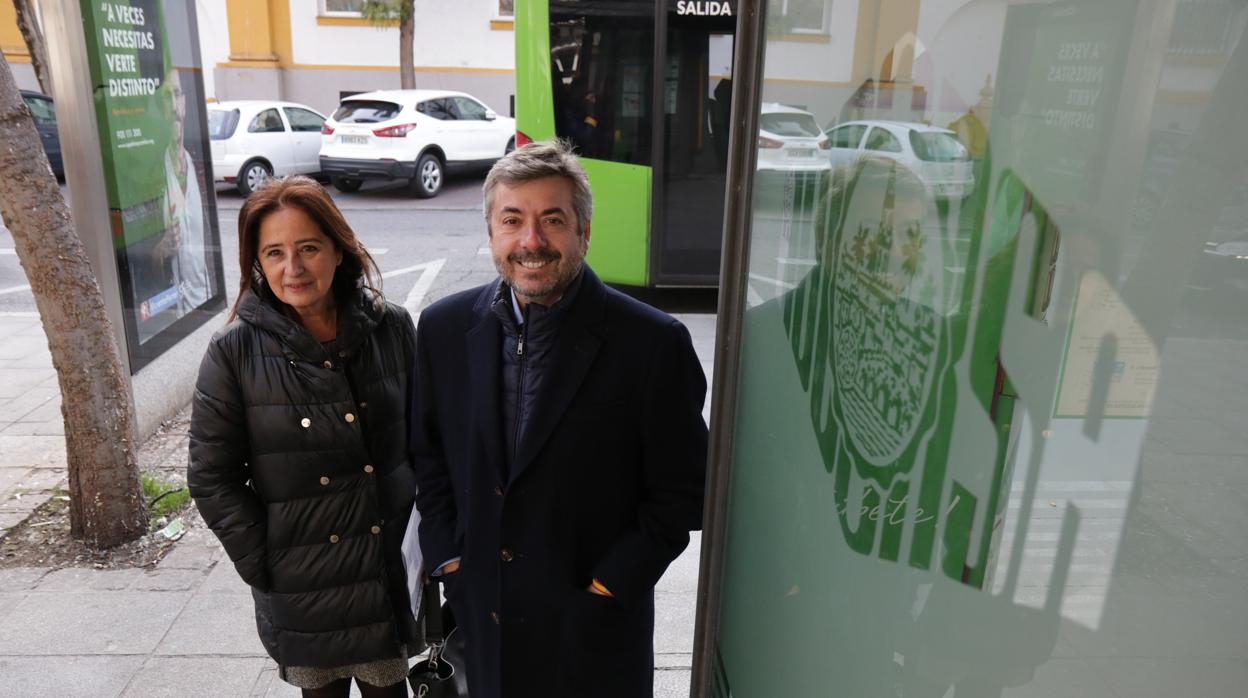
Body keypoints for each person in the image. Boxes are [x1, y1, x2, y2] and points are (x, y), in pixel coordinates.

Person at [409, 140, 709, 697]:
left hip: (593, 636)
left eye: (553, 219)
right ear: (491, 233)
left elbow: (682, 494)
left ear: (584, 232)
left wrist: (607, 589)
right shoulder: (444, 329)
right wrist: (450, 561)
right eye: (512, 220)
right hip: (486, 624)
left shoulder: (652, 343)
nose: (531, 241)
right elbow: (429, 459)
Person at [188, 176, 419, 698]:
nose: (292, 268)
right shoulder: (233, 352)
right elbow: (211, 477)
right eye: (274, 253)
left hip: (384, 572)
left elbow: (426, 443)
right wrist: (265, 562)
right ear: (258, 262)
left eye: (308, 248)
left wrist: (424, 543)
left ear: (338, 249)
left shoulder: (391, 328)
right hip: (303, 585)